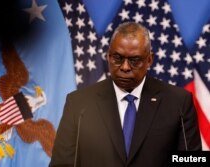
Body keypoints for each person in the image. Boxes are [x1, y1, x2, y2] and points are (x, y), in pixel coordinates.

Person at [49, 22, 202, 167]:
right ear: (108, 56)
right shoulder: (79, 103)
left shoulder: (178, 102)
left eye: (135, 60)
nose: (125, 67)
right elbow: (61, 164)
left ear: (149, 60)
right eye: (117, 58)